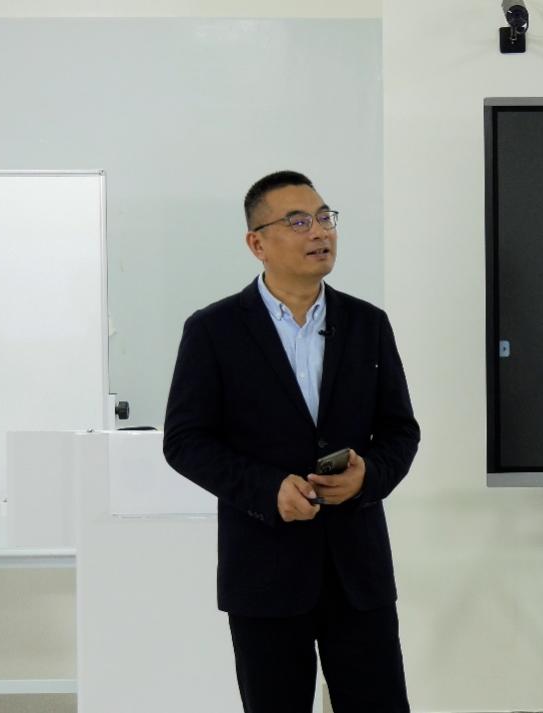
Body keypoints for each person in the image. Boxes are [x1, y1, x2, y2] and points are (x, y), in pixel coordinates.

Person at [163, 170, 420, 712]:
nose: (320, 232)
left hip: (358, 571)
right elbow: (185, 440)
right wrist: (267, 489)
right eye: (299, 222)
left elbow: (401, 430)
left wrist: (368, 477)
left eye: (325, 218)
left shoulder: (367, 323)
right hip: (264, 570)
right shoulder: (213, 330)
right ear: (257, 244)